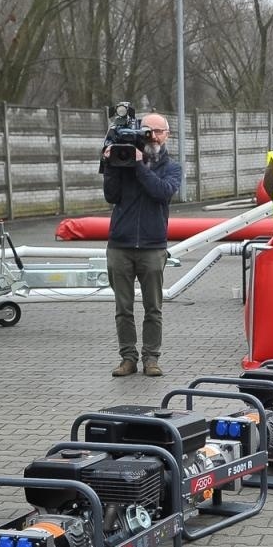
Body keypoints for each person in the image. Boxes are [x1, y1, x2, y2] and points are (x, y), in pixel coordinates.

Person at [103, 112, 182, 378]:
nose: (154, 136)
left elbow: (162, 192)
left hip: (152, 246)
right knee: (122, 309)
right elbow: (111, 196)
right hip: (120, 245)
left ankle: (151, 358)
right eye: (149, 130)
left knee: (153, 308)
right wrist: (111, 166)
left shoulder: (172, 167)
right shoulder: (122, 160)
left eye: (159, 131)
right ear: (139, 131)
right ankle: (128, 358)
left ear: (167, 135)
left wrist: (138, 166)